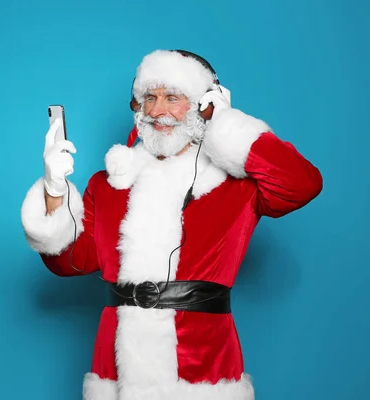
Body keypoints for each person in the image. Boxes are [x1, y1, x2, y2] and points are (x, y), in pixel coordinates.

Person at [20, 49, 323, 400]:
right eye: (149, 97)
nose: (156, 111)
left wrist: (226, 124)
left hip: (203, 368)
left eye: (172, 98)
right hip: (117, 371)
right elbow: (68, 262)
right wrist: (55, 190)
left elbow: (302, 184)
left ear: (203, 103)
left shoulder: (235, 185)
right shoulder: (108, 184)